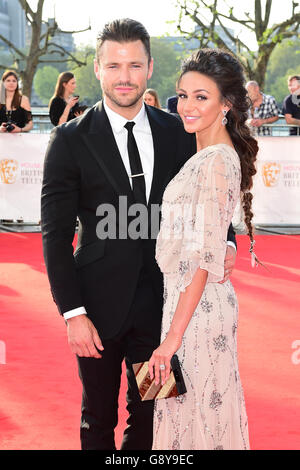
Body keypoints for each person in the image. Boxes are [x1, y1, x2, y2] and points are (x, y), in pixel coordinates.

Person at [41, 19, 237, 451]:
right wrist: (72, 313)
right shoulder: (69, 140)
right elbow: (54, 236)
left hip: (164, 310)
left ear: (150, 68)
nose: (124, 76)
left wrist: (227, 241)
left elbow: (210, 196)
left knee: (153, 416)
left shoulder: (179, 132)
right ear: (98, 69)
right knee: (97, 419)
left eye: (134, 65)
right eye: (114, 65)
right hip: (96, 310)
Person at [149, 49, 258, 450]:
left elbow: (200, 257)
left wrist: (172, 337)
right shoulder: (206, 152)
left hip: (197, 313)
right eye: (182, 95)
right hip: (184, 304)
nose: (187, 106)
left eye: (201, 96)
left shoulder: (214, 160)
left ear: (226, 104)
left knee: (198, 420)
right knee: (186, 417)